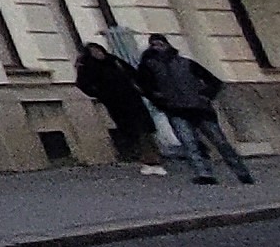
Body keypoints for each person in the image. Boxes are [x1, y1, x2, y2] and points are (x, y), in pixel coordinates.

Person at [135, 34, 255, 184]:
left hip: (200, 109)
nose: (158, 48)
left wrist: (205, 96)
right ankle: (204, 174)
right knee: (189, 143)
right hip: (176, 110)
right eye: (154, 45)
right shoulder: (147, 67)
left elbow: (214, 81)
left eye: (160, 44)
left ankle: (241, 172)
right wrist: (160, 101)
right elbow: (144, 87)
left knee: (220, 142)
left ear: (167, 45)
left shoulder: (186, 63)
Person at [74, 33, 164, 173]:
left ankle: (152, 155)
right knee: (131, 128)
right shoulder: (89, 66)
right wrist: (100, 94)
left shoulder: (113, 60)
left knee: (144, 127)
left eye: (99, 50)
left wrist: (145, 90)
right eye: (94, 52)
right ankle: (144, 155)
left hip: (132, 97)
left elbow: (132, 73)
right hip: (115, 102)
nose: (98, 53)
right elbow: (83, 84)